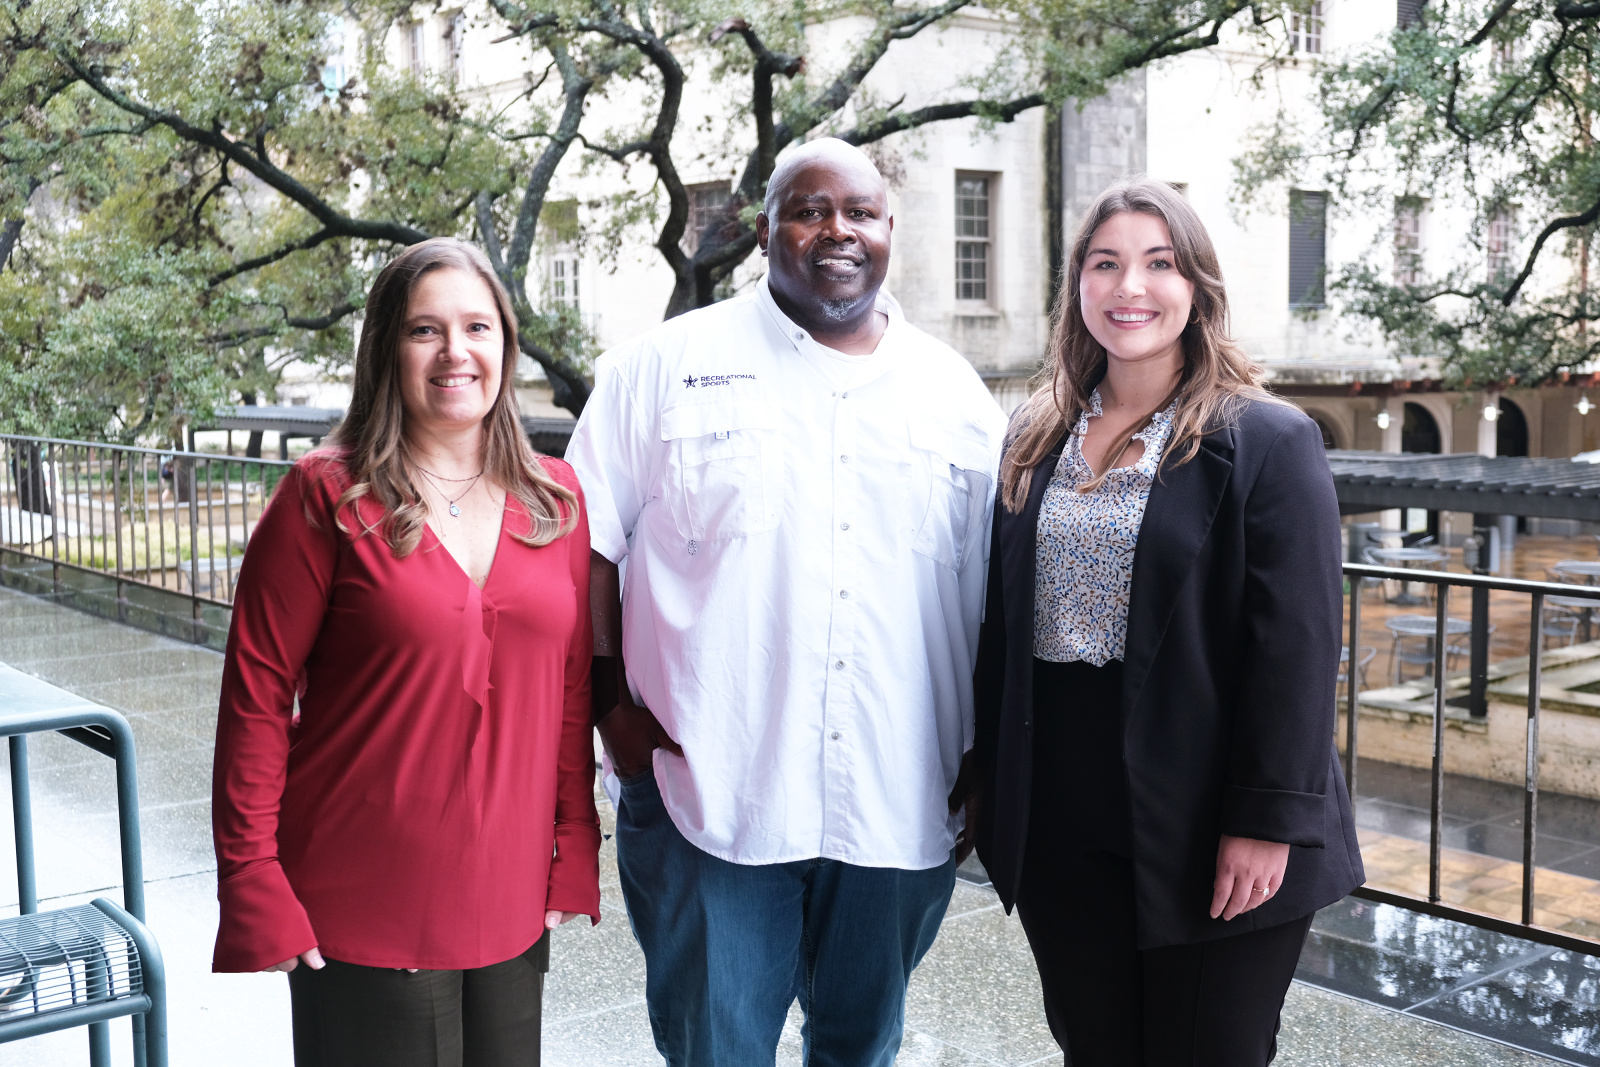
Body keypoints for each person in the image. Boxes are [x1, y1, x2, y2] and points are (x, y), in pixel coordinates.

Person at [566, 137, 1006, 1067]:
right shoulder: (660, 367)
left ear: (892, 230)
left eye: (860, 212)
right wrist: (610, 711)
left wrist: (992, 751)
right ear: (765, 230)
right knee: (715, 1052)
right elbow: (586, 549)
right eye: (809, 210)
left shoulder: (958, 397)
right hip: (710, 794)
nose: (836, 230)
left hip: (899, 797)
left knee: (860, 1049)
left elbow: (994, 593)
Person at [972, 178, 1364, 1065]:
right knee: (1096, 1047)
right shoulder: (1037, 434)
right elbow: (1002, 620)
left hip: (1210, 803)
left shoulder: (1267, 438)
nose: (1129, 288)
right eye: (1105, 264)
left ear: (1197, 288)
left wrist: (1265, 818)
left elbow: (1296, 646)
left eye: (1158, 263)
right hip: (1063, 811)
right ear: (1078, 286)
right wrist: (988, 776)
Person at [211, 238, 601, 1067]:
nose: (456, 352)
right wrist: (251, 874)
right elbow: (256, 694)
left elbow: (569, 692)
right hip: (360, 898)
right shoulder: (325, 494)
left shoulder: (556, 499)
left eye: (478, 327)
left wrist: (577, 840)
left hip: (511, 895)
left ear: (506, 342)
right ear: (388, 347)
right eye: (426, 330)